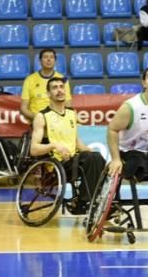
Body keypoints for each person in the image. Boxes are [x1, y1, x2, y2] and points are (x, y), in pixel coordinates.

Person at [29, 77, 107, 212]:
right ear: (48, 94)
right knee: (91, 158)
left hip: (73, 160)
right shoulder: (42, 116)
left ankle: (95, 202)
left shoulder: (72, 113)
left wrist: (92, 153)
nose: (59, 90)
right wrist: (54, 145)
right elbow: (34, 149)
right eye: (54, 88)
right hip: (57, 166)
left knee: (97, 158)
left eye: (61, 87)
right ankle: (84, 202)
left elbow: (78, 143)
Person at [20, 48, 71, 122]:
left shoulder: (62, 79)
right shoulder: (29, 79)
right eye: (46, 57)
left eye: (51, 57)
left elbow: (68, 105)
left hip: (58, 121)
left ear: (55, 61)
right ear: (40, 61)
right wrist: (37, 118)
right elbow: (23, 108)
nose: (49, 60)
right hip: (36, 120)